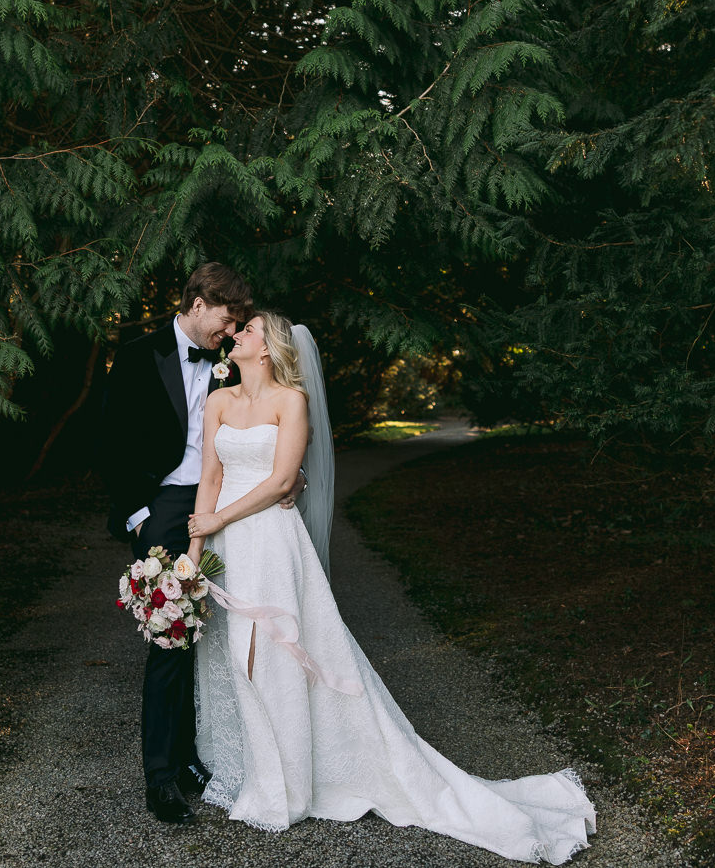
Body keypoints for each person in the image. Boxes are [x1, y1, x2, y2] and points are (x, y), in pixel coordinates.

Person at [185, 313, 597, 864]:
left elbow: (283, 480)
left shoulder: (291, 401)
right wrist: (194, 558)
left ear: (267, 349)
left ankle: (285, 784)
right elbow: (210, 479)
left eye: (250, 329)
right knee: (231, 653)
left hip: (270, 542)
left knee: (273, 654)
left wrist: (221, 518)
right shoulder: (219, 401)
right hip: (226, 545)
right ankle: (254, 769)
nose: (237, 333)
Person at [99, 262, 251, 824]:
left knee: (215, 633)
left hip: (223, 507)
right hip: (161, 510)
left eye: (236, 325)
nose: (230, 332)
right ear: (197, 303)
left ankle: (191, 757)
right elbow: (110, 440)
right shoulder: (138, 356)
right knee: (171, 636)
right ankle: (161, 777)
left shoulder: (231, 362)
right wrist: (139, 518)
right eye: (226, 320)